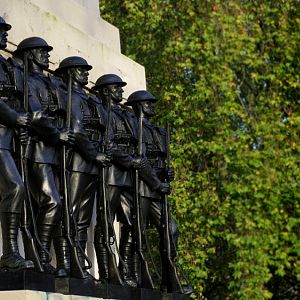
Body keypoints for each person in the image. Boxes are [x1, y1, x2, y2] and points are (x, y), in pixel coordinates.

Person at [92, 75, 169, 287]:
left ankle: (125, 270)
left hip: (127, 177)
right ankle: (107, 271)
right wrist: (131, 160)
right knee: (105, 223)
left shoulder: (124, 116)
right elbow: (108, 145)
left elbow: (135, 147)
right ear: (106, 90)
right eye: (117, 88)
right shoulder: (102, 110)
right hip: (110, 176)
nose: (120, 91)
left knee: (131, 223)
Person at [13, 37, 74, 273]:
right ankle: (39, 255)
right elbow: (36, 116)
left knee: (57, 206)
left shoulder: (49, 83)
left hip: (54, 154)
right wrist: (57, 134)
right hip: (38, 151)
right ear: (29, 55)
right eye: (41, 51)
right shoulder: (27, 79)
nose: (46, 55)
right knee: (51, 203)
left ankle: (49, 259)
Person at [125, 90, 193, 294]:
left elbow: (156, 160)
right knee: (136, 232)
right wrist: (157, 183)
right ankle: (131, 274)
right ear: (137, 106)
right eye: (147, 103)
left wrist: (167, 172)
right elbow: (141, 160)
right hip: (140, 188)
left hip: (155, 190)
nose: (152, 106)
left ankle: (169, 278)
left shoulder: (156, 131)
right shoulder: (133, 127)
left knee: (171, 229)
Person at [54, 56, 111, 278]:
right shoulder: (70, 95)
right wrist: (94, 154)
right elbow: (77, 131)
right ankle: (65, 262)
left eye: (86, 70)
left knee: (83, 219)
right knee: (70, 211)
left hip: (90, 165)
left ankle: (77, 262)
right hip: (77, 162)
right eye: (81, 70)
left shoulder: (88, 99)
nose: (86, 73)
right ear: (69, 73)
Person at [0, 17, 34, 271]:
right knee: (15, 187)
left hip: (5, 138)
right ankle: (9, 253)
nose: (4, 35)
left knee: (16, 189)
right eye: (0, 31)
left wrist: (18, 126)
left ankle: (11, 253)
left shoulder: (5, 65)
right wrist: (15, 118)